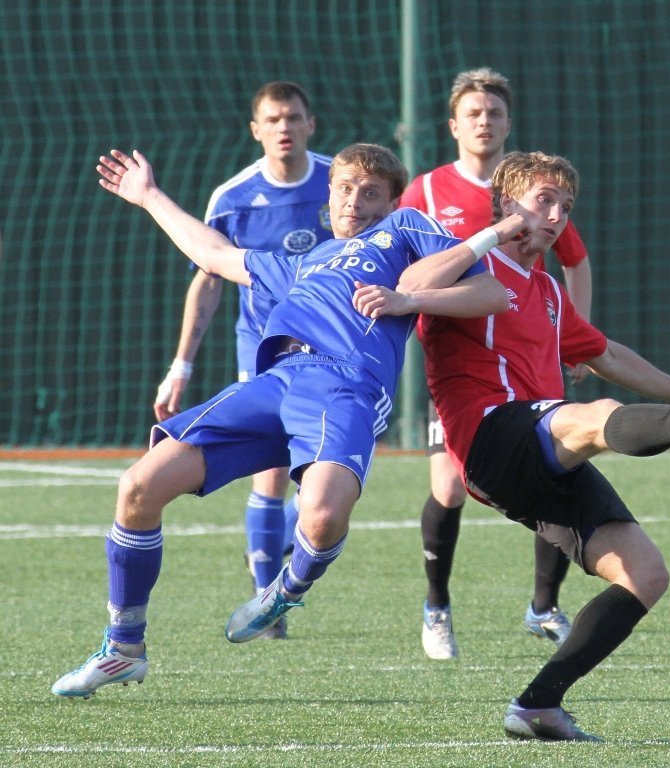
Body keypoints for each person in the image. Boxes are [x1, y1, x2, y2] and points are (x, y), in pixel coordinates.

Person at [51, 142, 519, 699]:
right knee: (138, 487)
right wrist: (149, 197)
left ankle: (287, 588)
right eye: (345, 188)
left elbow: (492, 292)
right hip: (275, 380)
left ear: (394, 201)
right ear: (329, 194)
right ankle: (123, 647)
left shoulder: (407, 231)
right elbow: (218, 256)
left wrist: (402, 299)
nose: (355, 201)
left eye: (371, 192)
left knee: (320, 517)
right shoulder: (305, 260)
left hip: (342, 385)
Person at [419, 150, 670, 740]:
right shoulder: (469, 267)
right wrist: (490, 235)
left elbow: (606, 355)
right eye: (543, 201)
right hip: (489, 437)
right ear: (506, 203)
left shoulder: (551, 292)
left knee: (645, 574)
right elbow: (413, 288)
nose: (555, 216)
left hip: (542, 446)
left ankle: (537, 705)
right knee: (592, 417)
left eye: (565, 207)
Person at [399, 67, 591, 659]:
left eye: (496, 113)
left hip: (531, 357)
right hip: (465, 369)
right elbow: (400, 257)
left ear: (509, 123)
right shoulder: (428, 192)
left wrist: (571, 335)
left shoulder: (539, 192)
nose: (485, 122)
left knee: (556, 466)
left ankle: (543, 607)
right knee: (450, 484)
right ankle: (436, 605)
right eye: (474, 113)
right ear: (454, 124)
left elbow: (574, 262)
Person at [153, 82, 333, 633]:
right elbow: (208, 280)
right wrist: (181, 364)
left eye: (293, 117)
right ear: (256, 130)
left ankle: (276, 553)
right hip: (264, 352)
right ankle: (266, 597)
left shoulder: (339, 182)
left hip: (331, 351)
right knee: (272, 470)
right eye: (273, 119)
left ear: (310, 124)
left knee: (320, 484)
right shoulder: (233, 198)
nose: (284, 127)